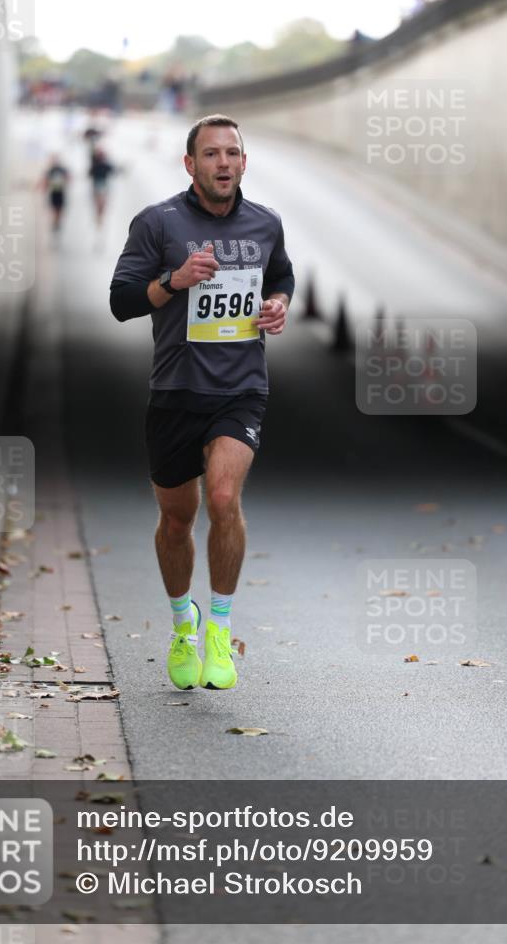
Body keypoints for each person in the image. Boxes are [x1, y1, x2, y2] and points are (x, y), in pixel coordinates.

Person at [110, 114, 294, 691]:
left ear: (244, 162)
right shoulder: (157, 222)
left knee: (222, 497)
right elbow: (121, 301)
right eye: (210, 154)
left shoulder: (265, 223)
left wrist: (279, 304)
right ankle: (181, 625)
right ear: (190, 164)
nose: (223, 163)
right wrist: (175, 280)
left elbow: (281, 276)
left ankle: (219, 627)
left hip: (241, 389)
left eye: (232, 153)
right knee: (175, 519)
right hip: (174, 392)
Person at [42, 155, 69, 232]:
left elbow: (67, 178)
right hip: (54, 192)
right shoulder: (50, 170)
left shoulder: (62, 170)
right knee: (54, 208)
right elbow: (46, 181)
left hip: (60, 192)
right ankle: (55, 222)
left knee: (59, 209)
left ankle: (57, 221)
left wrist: (64, 183)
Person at [89, 148, 115, 227]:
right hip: (97, 185)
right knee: (99, 202)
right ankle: (99, 216)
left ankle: (100, 216)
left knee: (102, 202)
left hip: (103, 185)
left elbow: (112, 170)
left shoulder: (104, 164)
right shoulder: (96, 164)